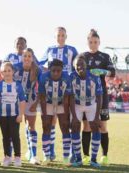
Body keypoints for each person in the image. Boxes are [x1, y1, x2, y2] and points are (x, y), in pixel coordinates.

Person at [40, 26, 78, 161]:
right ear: (55, 36)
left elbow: (78, 65)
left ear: (66, 36)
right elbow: (40, 63)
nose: (60, 37)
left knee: (67, 123)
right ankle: (49, 152)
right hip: (51, 88)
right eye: (58, 35)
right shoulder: (50, 50)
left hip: (67, 89)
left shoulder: (72, 50)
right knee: (50, 123)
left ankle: (71, 154)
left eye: (63, 35)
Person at [82, 29, 116, 165]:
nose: (93, 44)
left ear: (99, 42)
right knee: (87, 126)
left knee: (102, 126)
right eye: (91, 42)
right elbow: (77, 71)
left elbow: (112, 72)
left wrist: (101, 71)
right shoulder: (82, 56)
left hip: (101, 95)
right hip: (86, 96)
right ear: (87, 42)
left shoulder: (105, 56)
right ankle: (85, 155)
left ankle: (104, 156)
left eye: (95, 42)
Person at [70, 54, 103, 168]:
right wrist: (74, 116)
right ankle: (78, 159)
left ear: (86, 65)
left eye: (82, 64)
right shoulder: (71, 76)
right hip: (77, 105)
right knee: (75, 127)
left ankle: (93, 159)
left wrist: (97, 116)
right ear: (74, 67)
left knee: (95, 127)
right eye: (77, 65)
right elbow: (70, 97)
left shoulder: (94, 76)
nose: (79, 67)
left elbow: (99, 97)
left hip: (91, 105)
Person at [38, 59, 72, 165]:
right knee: (46, 126)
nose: (56, 73)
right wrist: (44, 114)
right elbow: (42, 97)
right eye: (53, 71)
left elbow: (67, 98)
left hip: (62, 102)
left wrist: (66, 114)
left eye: (58, 71)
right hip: (48, 102)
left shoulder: (67, 77)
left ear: (62, 70)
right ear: (49, 69)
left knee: (65, 127)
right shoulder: (43, 77)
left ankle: (66, 158)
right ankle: (46, 156)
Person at [0, 61, 25, 167]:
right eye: (4, 71)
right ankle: (7, 156)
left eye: (9, 70)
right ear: (1, 73)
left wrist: (21, 114)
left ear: (13, 72)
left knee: (15, 136)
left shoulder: (18, 85)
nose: (7, 73)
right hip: (2, 116)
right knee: (5, 137)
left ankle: (17, 157)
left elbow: (22, 101)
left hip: (14, 116)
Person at [13, 48, 41, 164]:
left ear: (32, 58)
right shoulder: (15, 67)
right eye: (25, 56)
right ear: (21, 57)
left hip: (31, 100)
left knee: (31, 126)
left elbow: (42, 88)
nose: (27, 58)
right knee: (13, 128)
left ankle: (33, 155)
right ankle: (10, 155)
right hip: (16, 101)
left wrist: (36, 103)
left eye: (29, 56)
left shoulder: (37, 70)